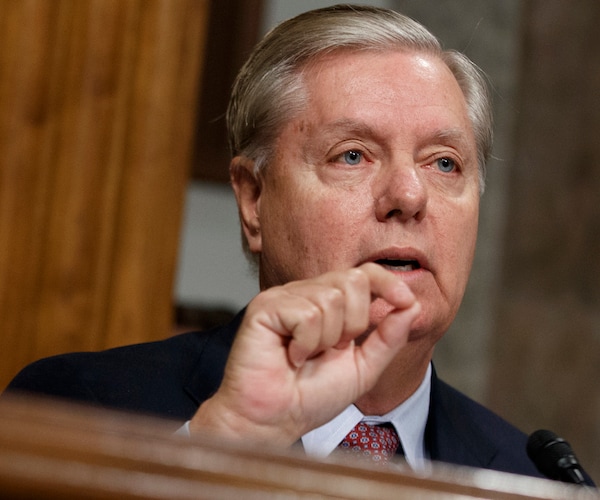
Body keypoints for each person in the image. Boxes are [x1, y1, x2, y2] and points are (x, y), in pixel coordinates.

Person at [1, 4, 575, 481]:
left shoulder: (534, 477)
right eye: (352, 155)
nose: (409, 193)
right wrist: (219, 446)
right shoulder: (79, 407)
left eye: (445, 164)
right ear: (254, 200)